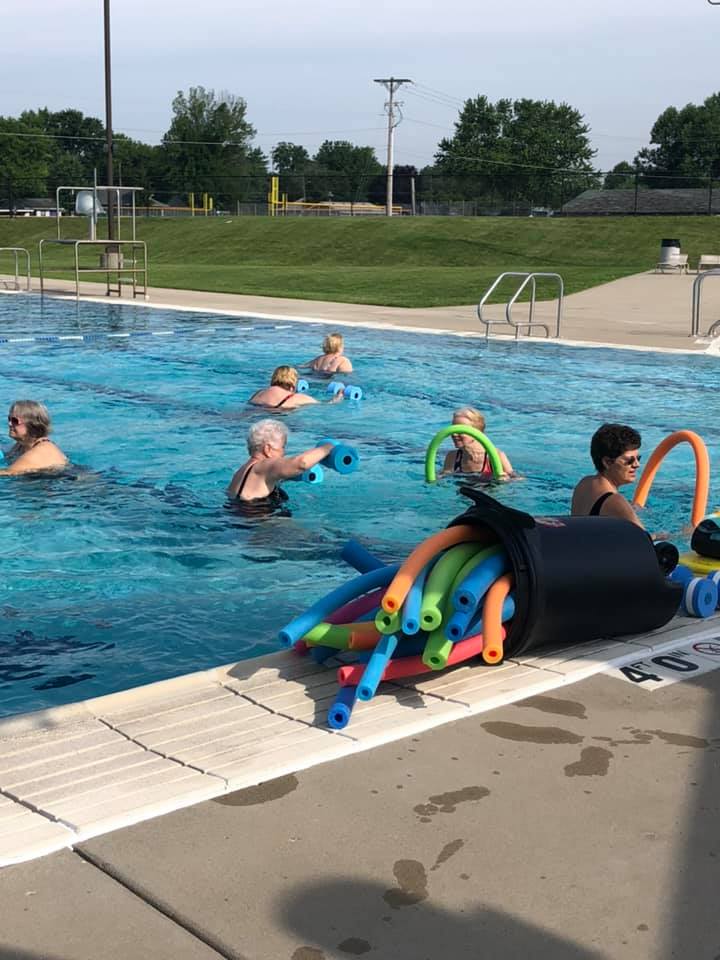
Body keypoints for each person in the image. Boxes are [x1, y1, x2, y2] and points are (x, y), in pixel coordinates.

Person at [227, 419, 335, 511]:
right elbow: (302, 463)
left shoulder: (245, 469)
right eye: (283, 447)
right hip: (257, 523)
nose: (284, 452)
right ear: (268, 449)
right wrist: (328, 447)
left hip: (241, 520)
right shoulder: (264, 465)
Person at [571, 422, 644, 526]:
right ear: (607, 462)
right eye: (629, 460)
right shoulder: (616, 501)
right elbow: (644, 540)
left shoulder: (584, 484)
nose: (637, 465)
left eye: (638, 458)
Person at [441, 407, 514, 479]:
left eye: (460, 430)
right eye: (452, 429)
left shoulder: (496, 456)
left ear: (476, 432)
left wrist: (506, 480)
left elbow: (515, 480)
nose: (454, 434)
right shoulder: (453, 457)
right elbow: (444, 479)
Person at [0, 400, 67, 476]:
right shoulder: (22, 445)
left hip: (65, 483)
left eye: (14, 421)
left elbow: (7, 473)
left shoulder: (41, 451)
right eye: (9, 419)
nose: (9, 424)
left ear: (32, 424)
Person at [249, 366, 320, 410]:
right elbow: (321, 405)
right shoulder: (295, 398)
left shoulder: (259, 393)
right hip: (279, 416)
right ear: (293, 380)